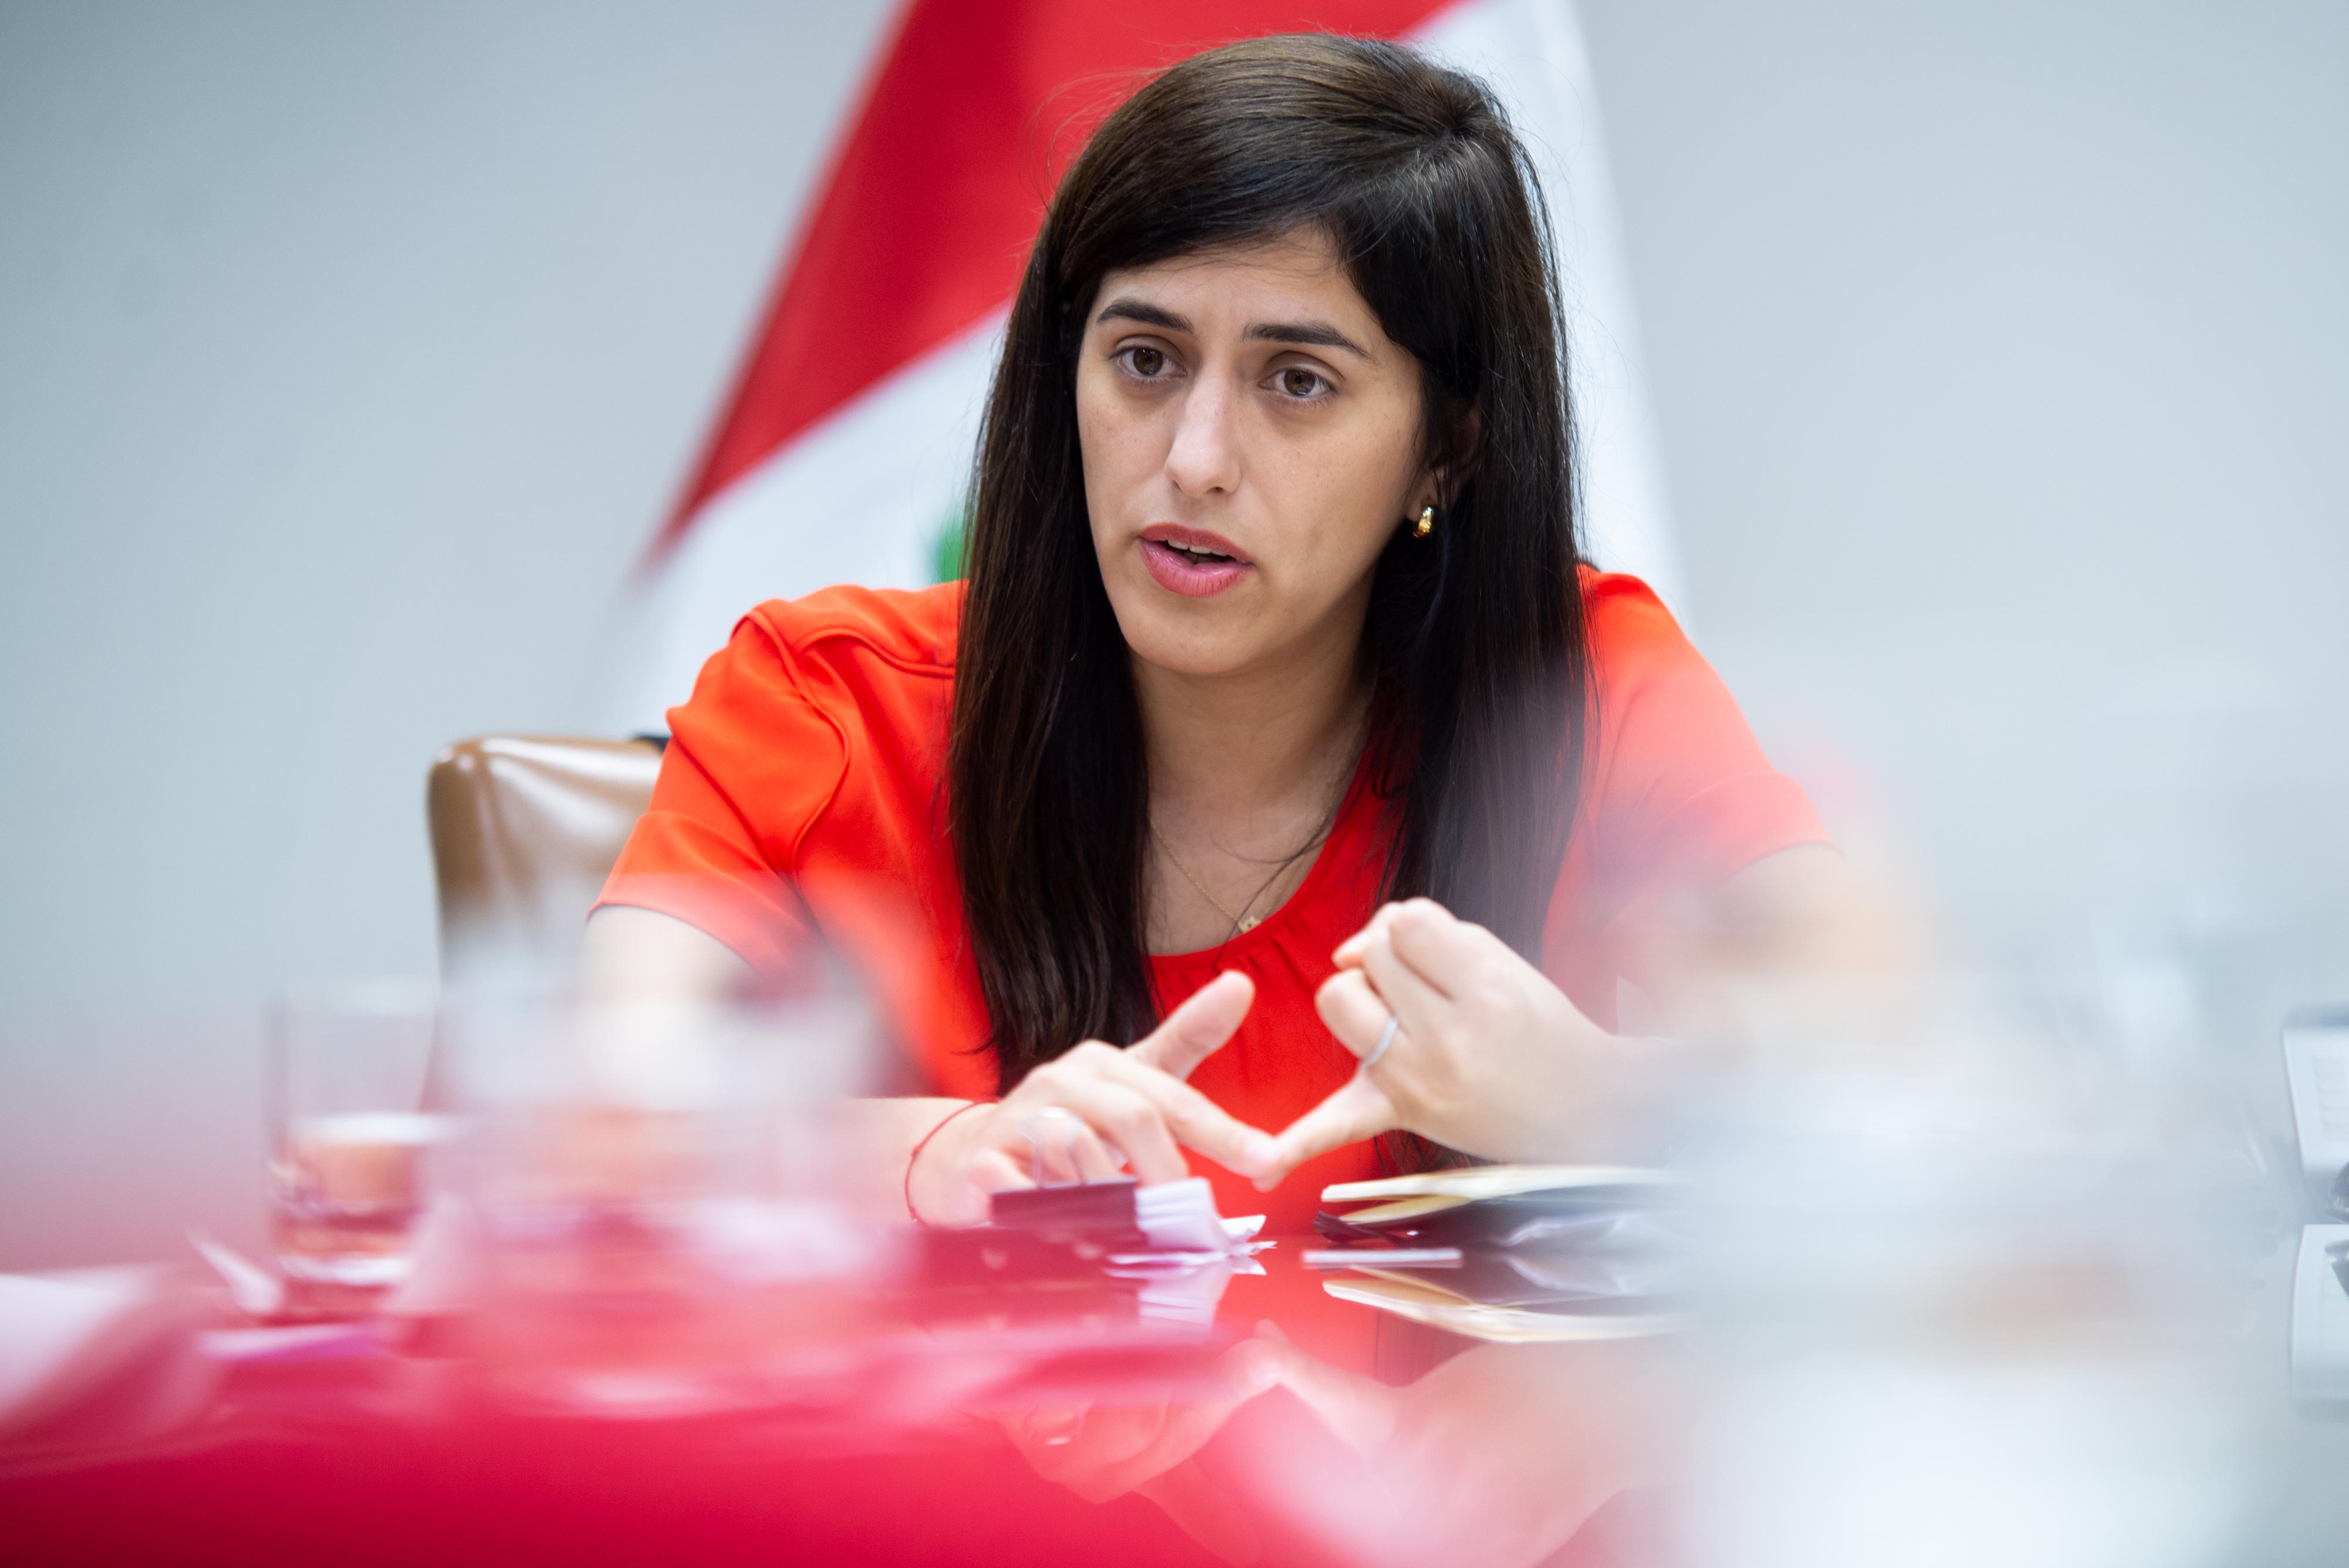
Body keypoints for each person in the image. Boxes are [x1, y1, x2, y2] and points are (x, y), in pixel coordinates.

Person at [584, 34, 1849, 1233]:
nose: (1191, 463)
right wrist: (933, 1157)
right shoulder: (825, 701)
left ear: (1445, 450)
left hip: (1439, 1467)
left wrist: (1593, 1095)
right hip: (959, 1465)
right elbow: (584, 1122)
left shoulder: (1576, 685)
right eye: (1142, 360)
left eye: (1295, 383)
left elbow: (1905, 1083)